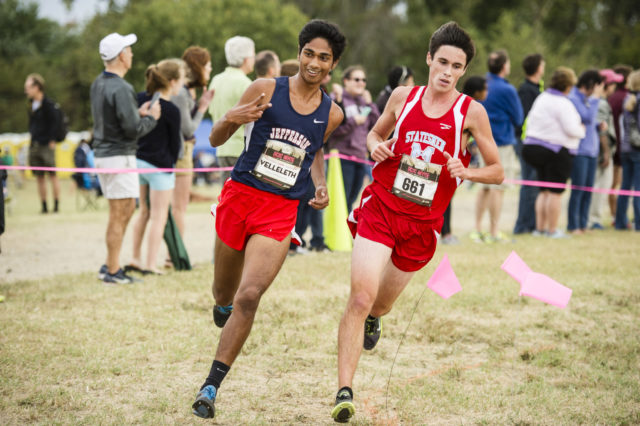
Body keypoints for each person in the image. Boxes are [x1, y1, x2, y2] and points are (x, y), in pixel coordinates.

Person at [332, 22, 503, 423]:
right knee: (359, 296)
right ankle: (344, 390)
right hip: (382, 208)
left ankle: (375, 318)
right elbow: (375, 134)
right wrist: (377, 146)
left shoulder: (471, 112)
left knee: (380, 303)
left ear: (463, 71)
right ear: (429, 59)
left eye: (456, 66)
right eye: (441, 61)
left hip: (422, 225)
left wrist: (466, 169)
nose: (446, 71)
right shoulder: (402, 97)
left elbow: (497, 171)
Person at [191, 19, 346, 419]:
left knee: (249, 295)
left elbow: (313, 151)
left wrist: (319, 184)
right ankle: (221, 307)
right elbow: (215, 139)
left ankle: (211, 385)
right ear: (299, 53)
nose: (314, 62)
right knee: (224, 295)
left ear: (333, 65)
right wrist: (233, 118)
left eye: (324, 57)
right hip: (240, 196)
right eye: (309, 53)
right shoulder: (265, 88)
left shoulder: (332, 113)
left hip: (280, 210)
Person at [91, 32, 160, 284]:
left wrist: (136, 112)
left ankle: (111, 263)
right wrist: (152, 117)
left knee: (123, 210)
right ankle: (112, 269)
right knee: (120, 213)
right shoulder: (121, 87)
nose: (131, 54)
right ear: (121, 55)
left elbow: (117, 120)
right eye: (129, 50)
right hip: (119, 157)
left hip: (104, 155)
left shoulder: (98, 83)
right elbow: (133, 130)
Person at [128, 60, 184, 275]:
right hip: (160, 168)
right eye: (180, 80)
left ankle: (135, 258)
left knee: (143, 211)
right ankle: (150, 264)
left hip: (139, 162)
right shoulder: (172, 110)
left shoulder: (140, 99)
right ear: (172, 82)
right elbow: (175, 145)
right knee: (158, 216)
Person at [522, 67, 585, 238]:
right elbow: (572, 129)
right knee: (555, 192)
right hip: (555, 151)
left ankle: (540, 229)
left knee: (543, 191)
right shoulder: (563, 103)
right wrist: (582, 130)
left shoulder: (543, 97)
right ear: (568, 85)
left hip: (533, 148)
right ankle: (552, 230)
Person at [473, 49, 523, 243]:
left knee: (483, 186)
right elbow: (518, 118)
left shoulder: (482, 84)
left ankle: (477, 229)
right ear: (504, 66)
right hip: (501, 142)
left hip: (480, 141)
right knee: (497, 187)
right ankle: (494, 231)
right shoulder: (507, 89)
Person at [171, 46, 215, 240]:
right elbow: (187, 129)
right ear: (198, 68)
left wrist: (199, 104)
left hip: (183, 152)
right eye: (208, 66)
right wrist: (202, 108)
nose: (210, 70)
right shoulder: (182, 93)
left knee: (179, 206)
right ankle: (175, 258)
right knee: (179, 206)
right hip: (181, 153)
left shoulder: (188, 92)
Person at [442, 75, 488, 245]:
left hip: (452, 158)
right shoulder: (468, 109)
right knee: (444, 198)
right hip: (449, 159)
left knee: (446, 198)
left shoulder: (462, 105)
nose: (487, 92)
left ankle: (446, 233)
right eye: (485, 88)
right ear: (478, 91)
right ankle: (446, 234)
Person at [330, 65, 380, 212]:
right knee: (342, 200)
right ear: (346, 81)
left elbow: (377, 126)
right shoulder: (337, 99)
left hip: (361, 157)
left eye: (364, 80)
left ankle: (344, 233)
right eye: (357, 79)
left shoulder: (364, 102)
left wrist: (370, 103)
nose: (361, 83)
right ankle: (340, 233)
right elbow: (332, 130)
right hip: (342, 157)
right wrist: (353, 122)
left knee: (352, 200)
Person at [208, 36, 255, 183]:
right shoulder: (246, 83)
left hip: (221, 149)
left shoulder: (216, 80)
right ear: (246, 59)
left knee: (225, 197)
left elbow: (211, 110)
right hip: (241, 149)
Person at [567, 69, 604, 234]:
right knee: (578, 190)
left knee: (588, 189)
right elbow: (586, 117)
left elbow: (590, 121)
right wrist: (596, 98)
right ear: (591, 85)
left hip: (592, 151)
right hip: (580, 151)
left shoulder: (588, 100)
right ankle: (573, 225)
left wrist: (598, 126)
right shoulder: (574, 98)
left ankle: (583, 224)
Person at [513, 53, 545, 234]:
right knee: (529, 183)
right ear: (538, 67)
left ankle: (532, 223)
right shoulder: (526, 90)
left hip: (535, 142)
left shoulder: (538, 88)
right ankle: (523, 225)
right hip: (526, 142)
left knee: (534, 183)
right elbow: (523, 118)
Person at [588, 69, 623, 230]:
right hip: (602, 152)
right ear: (605, 84)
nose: (615, 87)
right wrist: (607, 153)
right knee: (600, 185)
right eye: (613, 84)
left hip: (597, 151)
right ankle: (594, 219)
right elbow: (601, 129)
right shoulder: (601, 103)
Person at [24, 73, 61, 214]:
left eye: (28, 87)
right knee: (39, 177)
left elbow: (55, 124)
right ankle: (44, 206)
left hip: (47, 145)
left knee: (53, 175)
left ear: (37, 87)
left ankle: (56, 206)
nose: (26, 90)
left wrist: (52, 141)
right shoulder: (31, 104)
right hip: (35, 145)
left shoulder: (49, 104)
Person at [614, 69, 640, 231]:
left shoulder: (628, 100)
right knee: (638, 188)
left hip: (625, 147)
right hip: (637, 149)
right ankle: (638, 222)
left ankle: (620, 221)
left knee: (625, 186)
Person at [607, 65, 633, 219]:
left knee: (613, 183)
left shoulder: (610, 98)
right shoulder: (628, 98)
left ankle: (614, 214)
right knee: (621, 183)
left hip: (613, 144)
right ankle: (619, 215)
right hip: (625, 145)